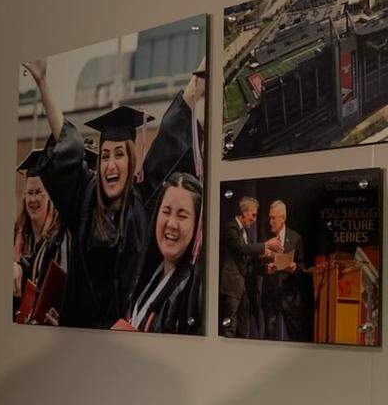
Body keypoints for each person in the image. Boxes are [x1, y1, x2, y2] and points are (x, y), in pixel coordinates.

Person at [21, 60, 206, 329]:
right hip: (79, 334)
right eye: (105, 155)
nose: (110, 163)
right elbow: (66, 142)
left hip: (124, 337)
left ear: (131, 160)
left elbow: (167, 140)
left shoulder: (142, 201)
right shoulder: (85, 200)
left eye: (119, 154)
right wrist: (42, 84)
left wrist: (196, 84)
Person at [117, 172, 203, 334]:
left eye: (182, 216)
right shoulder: (146, 275)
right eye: (166, 211)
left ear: (197, 225)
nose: (171, 223)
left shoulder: (192, 297)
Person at [13, 149, 67, 323]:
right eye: (29, 193)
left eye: (38, 193)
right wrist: (17, 266)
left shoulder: (60, 238)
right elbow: (33, 268)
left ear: (51, 196)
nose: (33, 200)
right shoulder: (21, 232)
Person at [219, 196, 282, 337]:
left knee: (243, 328)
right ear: (244, 212)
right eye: (253, 215)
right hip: (231, 286)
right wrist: (266, 245)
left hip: (244, 288)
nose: (254, 219)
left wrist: (265, 256)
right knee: (229, 328)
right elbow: (242, 248)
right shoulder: (231, 228)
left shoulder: (245, 232)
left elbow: (249, 256)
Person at [259, 200, 306, 341]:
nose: (270, 221)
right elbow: (255, 265)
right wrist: (265, 268)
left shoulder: (295, 238)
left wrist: (295, 267)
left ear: (283, 218)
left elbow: (302, 265)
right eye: (270, 217)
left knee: (295, 336)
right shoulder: (265, 238)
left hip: (289, 294)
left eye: (273, 218)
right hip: (271, 294)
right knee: (269, 336)